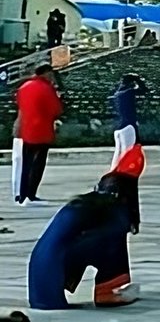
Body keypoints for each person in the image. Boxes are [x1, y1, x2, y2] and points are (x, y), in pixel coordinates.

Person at [27, 145, 144, 309]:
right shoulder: (115, 211)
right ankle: (109, 291)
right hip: (52, 275)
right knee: (112, 241)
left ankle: (109, 289)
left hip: (40, 283)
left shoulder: (88, 203)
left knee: (104, 238)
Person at [12, 65, 62, 206]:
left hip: (27, 129)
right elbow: (56, 109)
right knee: (38, 164)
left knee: (26, 164)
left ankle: (22, 194)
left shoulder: (23, 87)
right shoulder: (47, 89)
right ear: (46, 73)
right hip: (42, 130)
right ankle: (31, 195)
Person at [109, 75, 147, 169]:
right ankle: (124, 170)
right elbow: (144, 90)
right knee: (128, 151)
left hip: (118, 126)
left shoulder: (117, 94)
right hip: (128, 126)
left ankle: (114, 170)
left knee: (118, 152)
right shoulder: (128, 92)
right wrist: (138, 79)